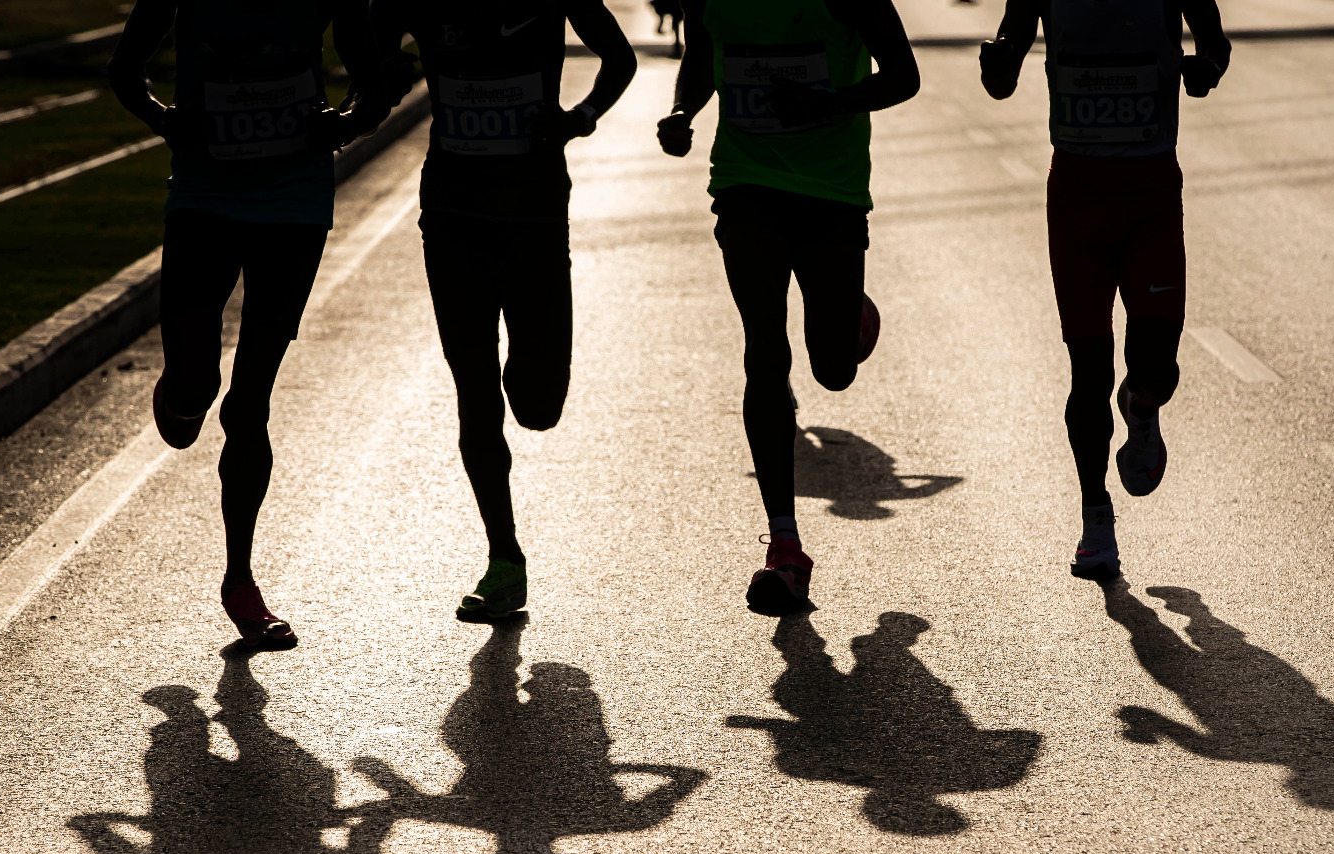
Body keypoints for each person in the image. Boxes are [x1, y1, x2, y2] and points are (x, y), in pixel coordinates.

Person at [110, 0, 406, 647]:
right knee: (196, 388)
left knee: (249, 406)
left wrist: (348, 122)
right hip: (204, 199)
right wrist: (165, 120)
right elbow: (125, 70)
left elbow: (373, 81)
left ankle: (239, 579)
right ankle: (182, 387)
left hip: (294, 204)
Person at [369, 0, 636, 622]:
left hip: (534, 213)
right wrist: (383, 73)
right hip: (452, 213)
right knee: (475, 389)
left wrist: (580, 117)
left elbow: (619, 58)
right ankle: (503, 557)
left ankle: (530, 381)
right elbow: (367, 47)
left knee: (538, 406)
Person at [657, 0, 919, 615]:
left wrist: (828, 104)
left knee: (832, 368)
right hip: (746, 186)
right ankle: (785, 545)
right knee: (765, 354)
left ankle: (848, 310)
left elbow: (904, 76)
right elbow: (701, 56)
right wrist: (680, 111)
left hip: (831, 193)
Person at [979, 0, 1229, 581]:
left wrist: (1205, 69)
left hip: (1151, 198)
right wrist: (997, 67)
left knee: (1156, 367)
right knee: (1087, 372)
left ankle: (1142, 408)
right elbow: (1006, 63)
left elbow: (1215, 41)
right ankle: (1096, 519)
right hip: (1075, 199)